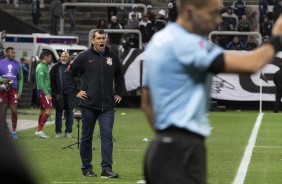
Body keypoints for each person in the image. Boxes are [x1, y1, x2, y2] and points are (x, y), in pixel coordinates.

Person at [141, 0, 282, 183]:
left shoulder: (159, 40)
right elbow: (251, 64)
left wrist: (167, 136)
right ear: (190, 11)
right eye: (213, 13)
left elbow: (146, 103)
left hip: (165, 148)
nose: (217, 20)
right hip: (180, 153)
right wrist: (277, 38)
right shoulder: (186, 43)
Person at [65, 29, 125, 178]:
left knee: (107, 137)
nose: (101, 41)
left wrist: (119, 92)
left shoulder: (112, 57)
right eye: (98, 38)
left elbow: (120, 76)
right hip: (88, 105)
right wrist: (76, 92)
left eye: (103, 38)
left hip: (108, 107)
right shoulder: (84, 56)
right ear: (92, 40)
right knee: (86, 137)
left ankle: (106, 169)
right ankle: (86, 168)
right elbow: (68, 73)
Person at [0, 47, 23, 139]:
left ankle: (14, 131)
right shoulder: (1, 62)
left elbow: (21, 78)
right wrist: (2, 80)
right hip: (2, 89)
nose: (14, 54)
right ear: (6, 53)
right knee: (3, 111)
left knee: (14, 110)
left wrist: (20, 91)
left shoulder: (18, 64)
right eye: (11, 53)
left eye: (14, 52)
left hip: (13, 90)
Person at [50, 51, 73, 138]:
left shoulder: (73, 67)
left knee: (70, 114)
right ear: (60, 57)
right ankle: (58, 132)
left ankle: (68, 132)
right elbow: (52, 82)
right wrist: (55, 94)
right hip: (59, 95)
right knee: (58, 114)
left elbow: (77, 80)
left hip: (70, 95)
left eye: (65, 56)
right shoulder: (55, 68)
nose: (63, 58)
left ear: (69, 58)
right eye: (62, 56)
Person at [35, 51, 53, 139]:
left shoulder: (44, 66)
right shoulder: (41, 67)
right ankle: (40, 130)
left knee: (42, 111)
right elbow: (40, 82)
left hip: (42, 91)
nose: (51, 59)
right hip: (43, 92)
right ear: (45, 57)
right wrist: (47, 93)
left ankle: (38, 131)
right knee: (48, 111)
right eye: (50, 57)